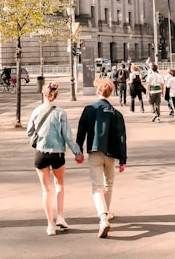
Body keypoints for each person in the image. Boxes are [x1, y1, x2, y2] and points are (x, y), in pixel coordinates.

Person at [26, 82, 83, 236]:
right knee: (60, 185)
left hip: (41, 154)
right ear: (55, 95)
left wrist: (38, 143)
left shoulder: (36, 111)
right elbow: (68, 137)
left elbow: (29, 132)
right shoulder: (61, 113)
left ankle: (50, 225)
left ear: (43, 94)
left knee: (46, 189)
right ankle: (61, 217)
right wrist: (77, 153)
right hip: (57, 154)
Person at [76, 77, 127, 239]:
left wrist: (79, 151)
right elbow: (121, 138)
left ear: (98, 91)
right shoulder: (116, 113)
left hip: (95, 152)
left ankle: (103, 217)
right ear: (110, 93)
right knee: (108, 184)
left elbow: (81, 132)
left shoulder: (89, 109)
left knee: (96, 187)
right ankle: (107, 211)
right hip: (111, 154)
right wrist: (123, 159)